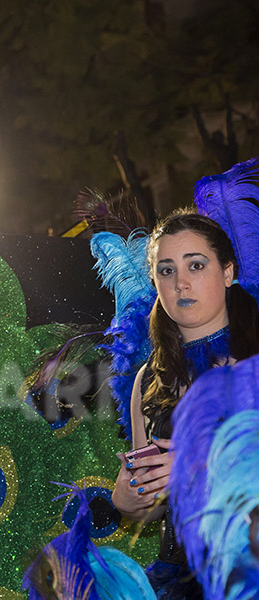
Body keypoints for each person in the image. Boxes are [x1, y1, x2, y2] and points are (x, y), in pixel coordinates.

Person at [111, 211, 259, 598]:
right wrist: (132, 499)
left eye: (196, 264)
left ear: (227, 272)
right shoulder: (147, 379)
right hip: (179, 579)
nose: (180, 282)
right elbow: (153, 503)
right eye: (165, 270)